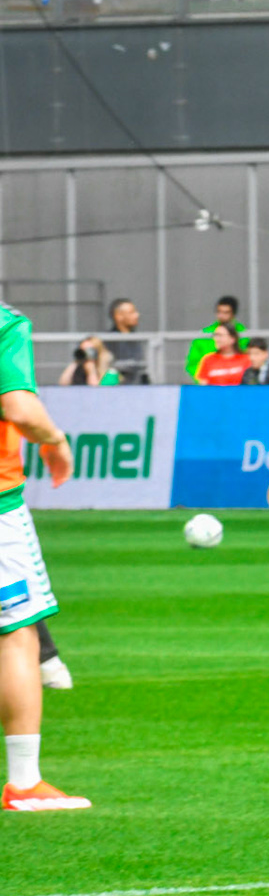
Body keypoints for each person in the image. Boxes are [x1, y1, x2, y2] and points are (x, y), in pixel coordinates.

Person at [0, 301, 83, 812]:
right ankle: (24, 782)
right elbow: (20, 410)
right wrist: (54, 439)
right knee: (15, 634)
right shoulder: (5, 323)